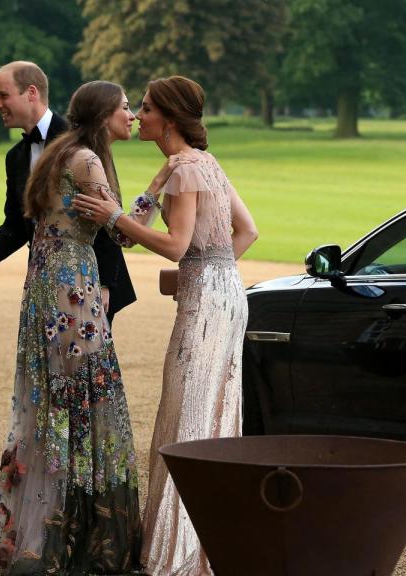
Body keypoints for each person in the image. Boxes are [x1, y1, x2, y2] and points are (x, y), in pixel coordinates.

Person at [73, 75, 258, 576]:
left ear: (169, 120)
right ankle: (206, 543)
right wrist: (203, 270)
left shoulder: (186, 171)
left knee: (189, 414)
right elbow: (248, 231)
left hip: (206, 309)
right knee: (212, 410)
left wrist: (115, 216)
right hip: (227, 296)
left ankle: (182, 555)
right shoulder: (200, 165)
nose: (138, 115)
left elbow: (172, 243)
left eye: (148, 108)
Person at [0, 81, 142, 575]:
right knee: (83, 404)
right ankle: (78, 535)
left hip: (45, 292)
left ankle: (43, 529)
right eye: (125, 107)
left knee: (53, 403)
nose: (131, 114)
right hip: (72, 295)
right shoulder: (86, 159)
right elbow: (122, 233)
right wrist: (164, 190)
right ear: (104, 113)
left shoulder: (59, 151)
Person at [0, 61, 136, 323]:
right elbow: (17, 226)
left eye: (3, 96)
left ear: (31, 92)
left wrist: (105, 284)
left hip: (90, 282)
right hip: (44, 280)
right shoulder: (15, 157)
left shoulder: (80, 142)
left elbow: (106, 212)